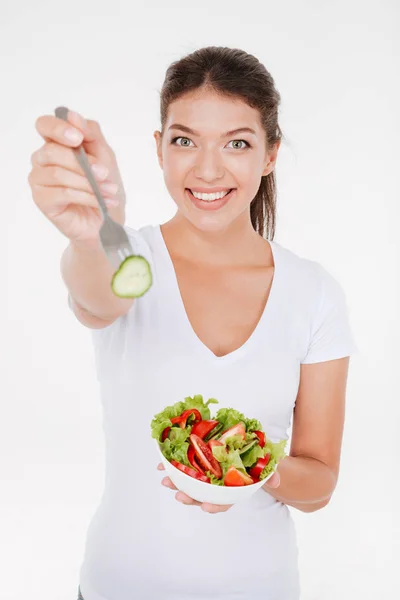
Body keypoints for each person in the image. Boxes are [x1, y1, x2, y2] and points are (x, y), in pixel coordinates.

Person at [28, 46, 357, 600]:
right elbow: (96, 294)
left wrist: (254, 474)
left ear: (270, 154)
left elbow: (319, 481)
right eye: (184, 141)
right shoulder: (128, 261)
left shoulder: (313, 291)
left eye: (237, 143)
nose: (208, 169)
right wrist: (90, 237)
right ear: (158, 149)